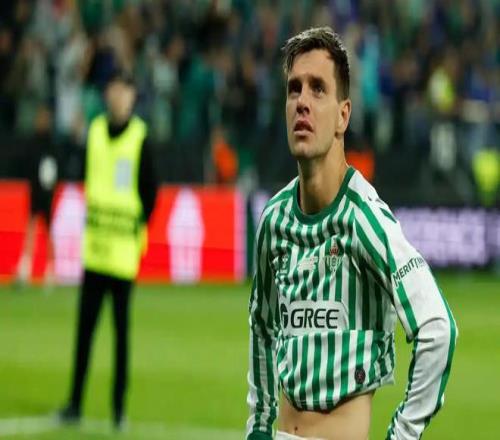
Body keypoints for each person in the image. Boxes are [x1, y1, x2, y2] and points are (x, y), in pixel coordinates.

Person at [246, 27, 457, 440]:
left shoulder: (365, 219)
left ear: (343, 115)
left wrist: (402, 434)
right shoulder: (274, 220)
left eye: (317, 89)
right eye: (294, 89)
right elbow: (262, 326)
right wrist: (258, 425)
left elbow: (438, 329)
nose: (302, 101)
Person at [58, 71, 158, 429]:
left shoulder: (140, 138)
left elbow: (151, 192)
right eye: (114, 90)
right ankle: (74, 404)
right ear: (108, 95)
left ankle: (118, 409)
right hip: (95, 250)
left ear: (132, 97)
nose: (118, 97)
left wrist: (134, 226)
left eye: (124, 91)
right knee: (84, 332)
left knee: (120, 336)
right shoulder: (96, 132)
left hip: (122, 255)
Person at [15, 105, 57, 288]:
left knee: (49, 233)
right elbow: (28, 166)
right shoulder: (33, 143)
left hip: (47, 195)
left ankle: (51, 270)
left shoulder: (51, 144)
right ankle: (25, 269)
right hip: (35, 193)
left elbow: (55, 169)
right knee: (31, 229)